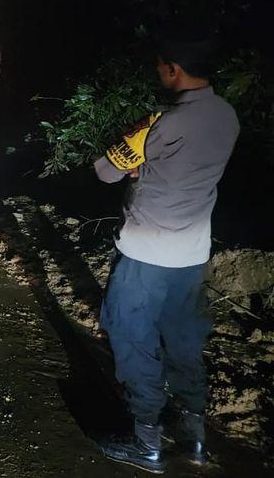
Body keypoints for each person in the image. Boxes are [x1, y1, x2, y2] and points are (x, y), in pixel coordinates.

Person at [93, 33, 239, 473]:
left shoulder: (163, 122)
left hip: (146, 253)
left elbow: (105, 171)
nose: (158, 72)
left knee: (132, 337)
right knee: (183, 340)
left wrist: (137, 150)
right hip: (191, 254)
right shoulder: (227, 115)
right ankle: (194, 436)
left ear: (173, 69)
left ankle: (147, 442)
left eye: (160, 66)